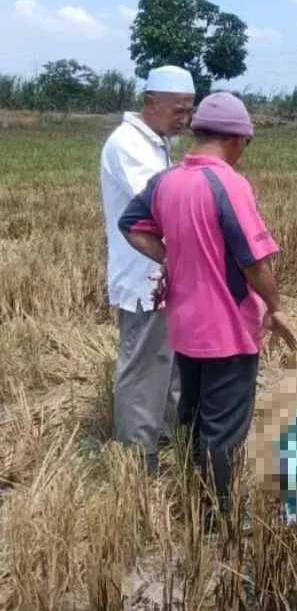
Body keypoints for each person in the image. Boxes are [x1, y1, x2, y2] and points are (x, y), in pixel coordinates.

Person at [118, 92, 297, 527]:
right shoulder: (228, 184)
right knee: (223, 429)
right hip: (228, 329)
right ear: (236, 139)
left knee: (193, 415)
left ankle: (192, 495)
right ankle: (216, 518)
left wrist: (172, 258)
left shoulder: (166, 181)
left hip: (185, 326)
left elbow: (131, 225)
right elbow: (252, 260)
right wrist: (276, 307)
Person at [98, 65, 194, 474]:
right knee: (143, 368)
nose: (185, 118)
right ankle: (137, 459)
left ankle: (165, 437)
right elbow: (162, 202)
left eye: (189, 109)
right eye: (178, 109)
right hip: (142, 277)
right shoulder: (127, 144)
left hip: (163, 273)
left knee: (168, 364)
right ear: (151, 103)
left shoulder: (155, 143)